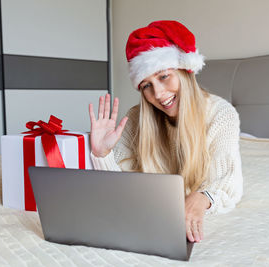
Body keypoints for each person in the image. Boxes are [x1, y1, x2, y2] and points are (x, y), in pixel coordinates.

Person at [88, 20, 243, 243]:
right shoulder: (136, 118)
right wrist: (102, 155)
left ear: (185, 72)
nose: (158, 94)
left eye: (163, 76)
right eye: (146, 85)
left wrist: (202, 197)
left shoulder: (221, 114)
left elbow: (226, 184)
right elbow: (118, 189)